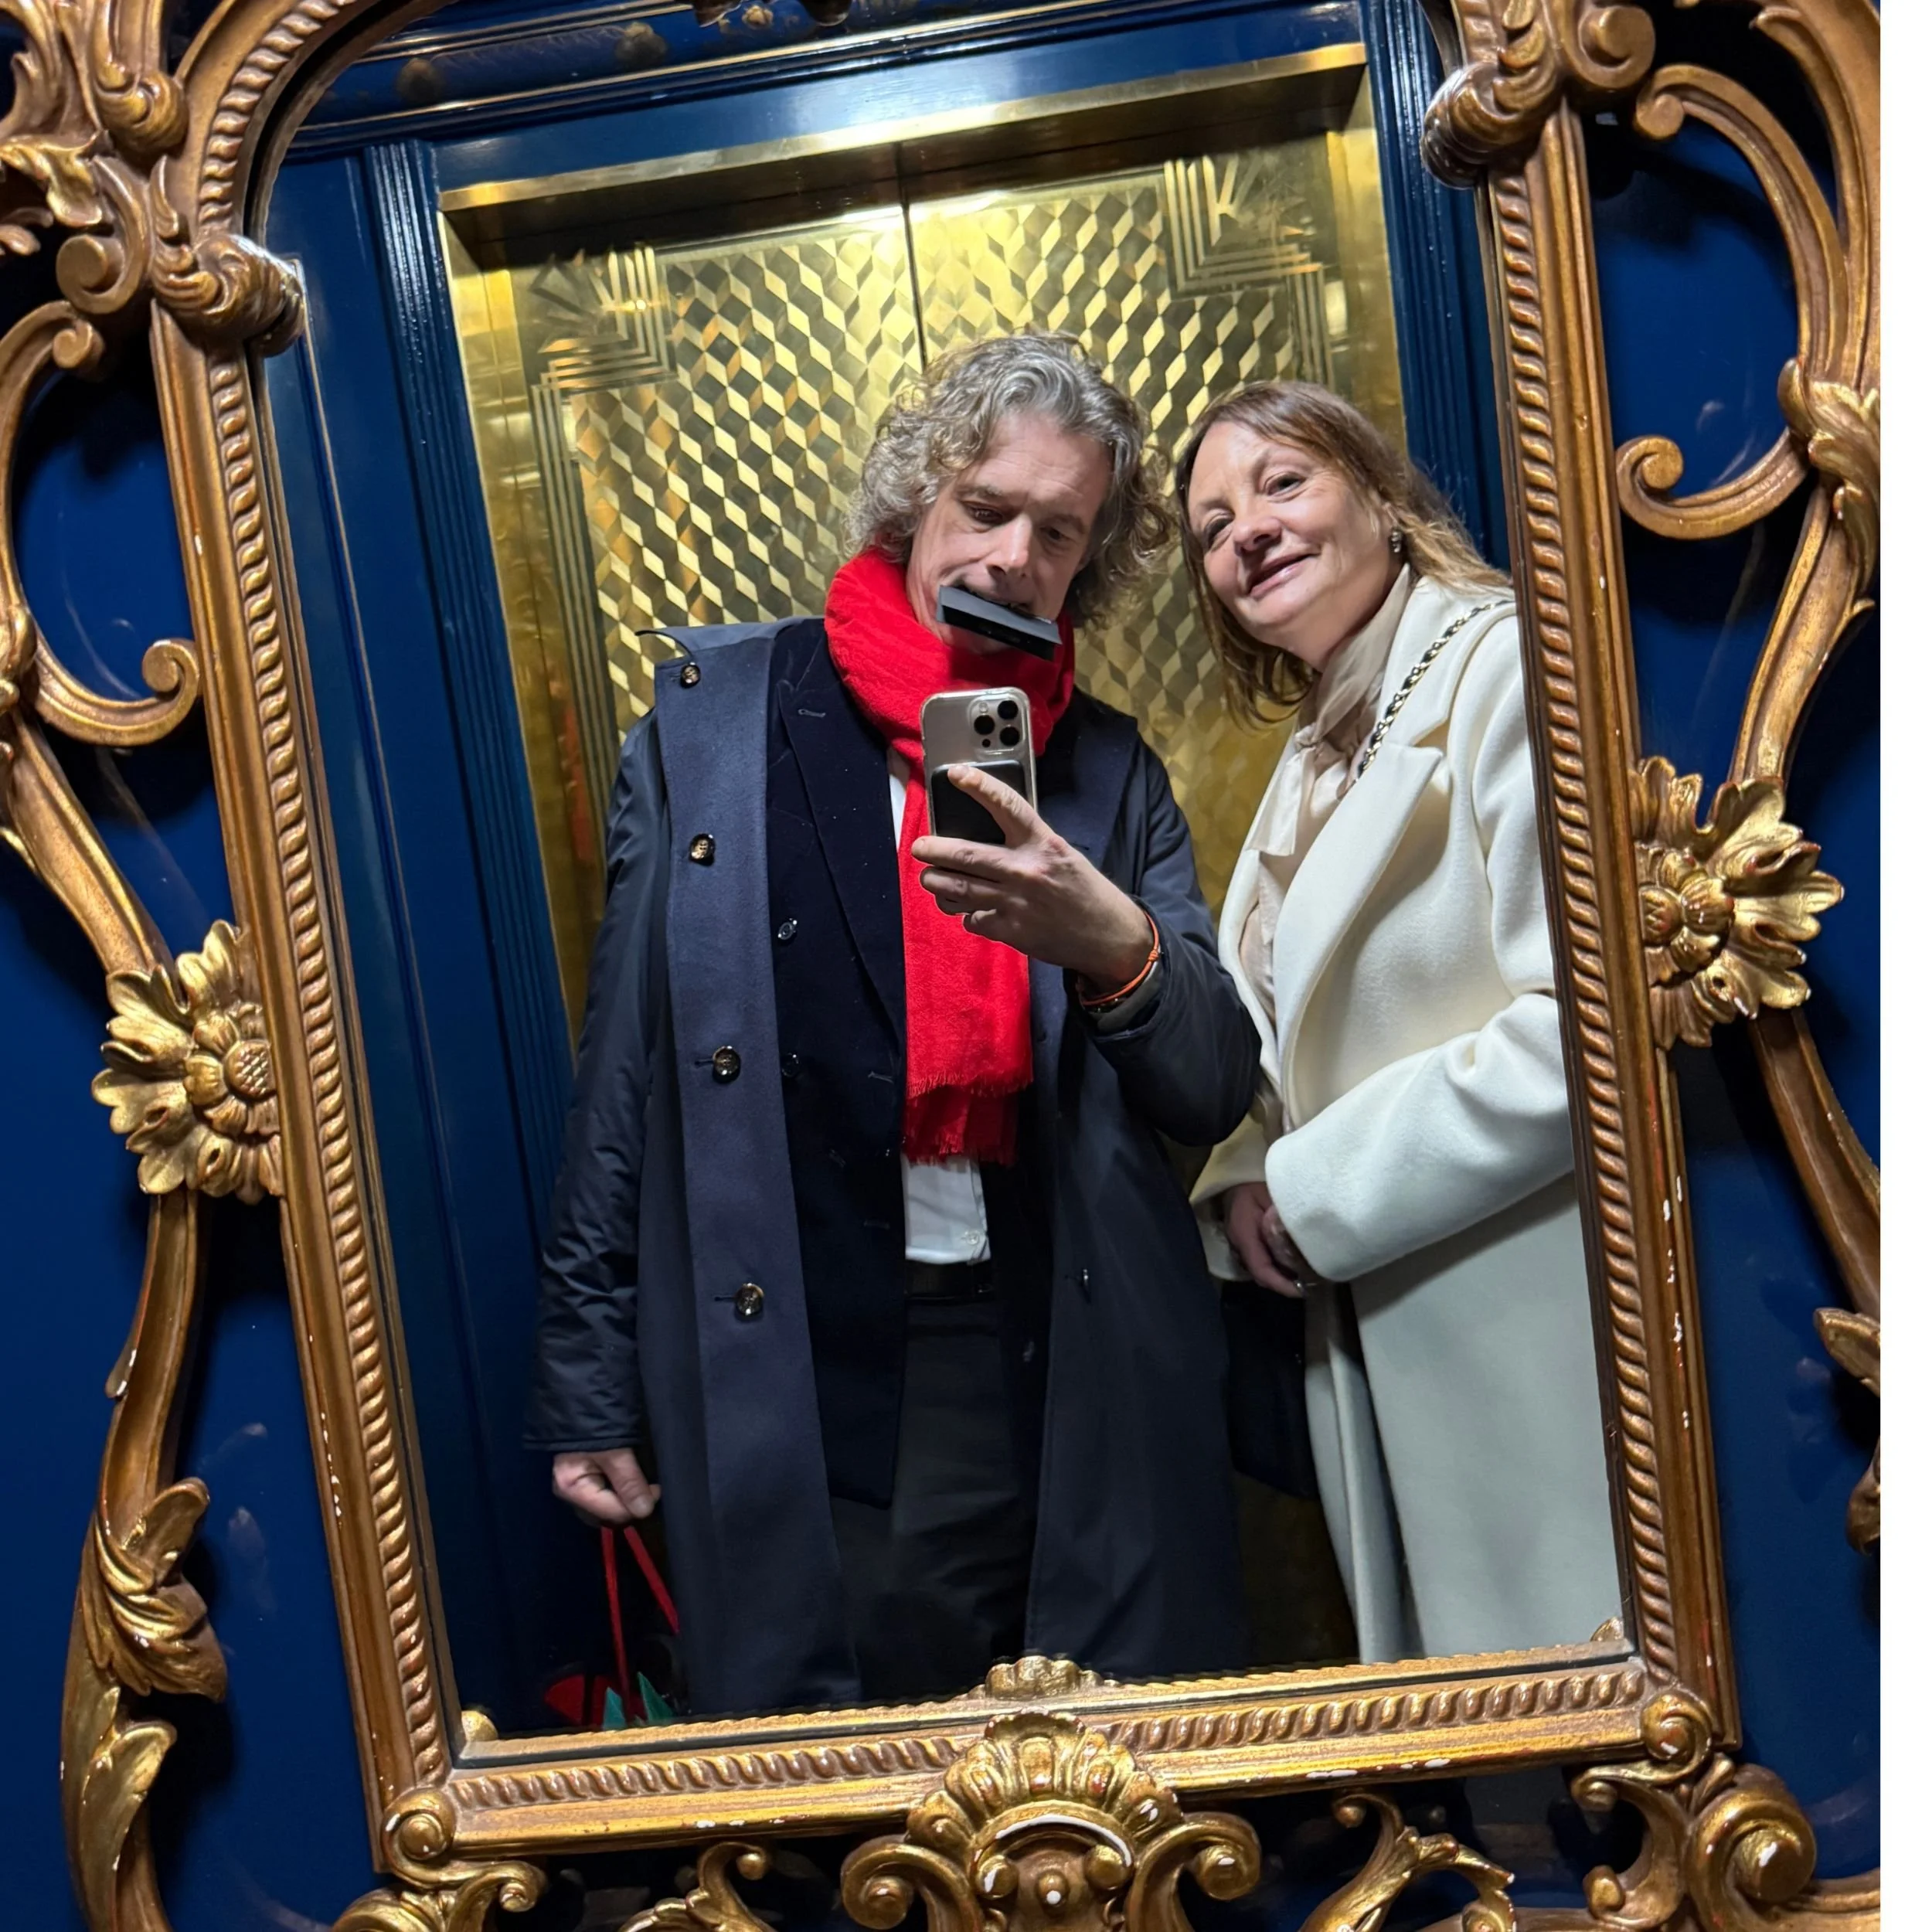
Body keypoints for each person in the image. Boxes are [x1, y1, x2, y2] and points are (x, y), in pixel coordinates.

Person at [526, 333, 1258, 1717]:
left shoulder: (1103, 769)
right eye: (987, 509)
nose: (1012, 558)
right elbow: (622, 1077)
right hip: (804, 1355)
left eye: (1060, 531)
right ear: (916, 499)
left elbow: (1213, 1080)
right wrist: (589, 1377)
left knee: (1101, 1766)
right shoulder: (722, 728)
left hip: (1062, 1358)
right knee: (857, 1776)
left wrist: (1109, 943)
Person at [1181, 380, 1622, 1662]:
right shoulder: (1321, 747)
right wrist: (1251, 1171)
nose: (1246, 533)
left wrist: (1317, 1191)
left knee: (1579, 1713)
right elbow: (1290, 1037)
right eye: (1213, 526)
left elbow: (1584, 1033)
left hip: (1528, 1311)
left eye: (1282, 484)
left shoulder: (1503, 667)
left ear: (1379, 492)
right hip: (1390, 1320)